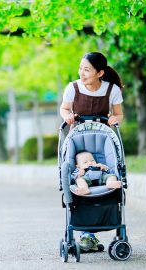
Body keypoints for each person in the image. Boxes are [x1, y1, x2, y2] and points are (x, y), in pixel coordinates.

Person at [59, 52, 124, 252]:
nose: (82, 73)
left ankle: (91, 235)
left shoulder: (111, 90)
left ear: (100, 73)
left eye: (86, 70)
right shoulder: (73, 87)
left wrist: (115, 119)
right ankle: (88, 235)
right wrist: (68, 116)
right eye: (81, 68)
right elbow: (64, 109)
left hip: (102, 136)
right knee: (81, 175)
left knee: (105, 172)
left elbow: (119, 114)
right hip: (79, 138)